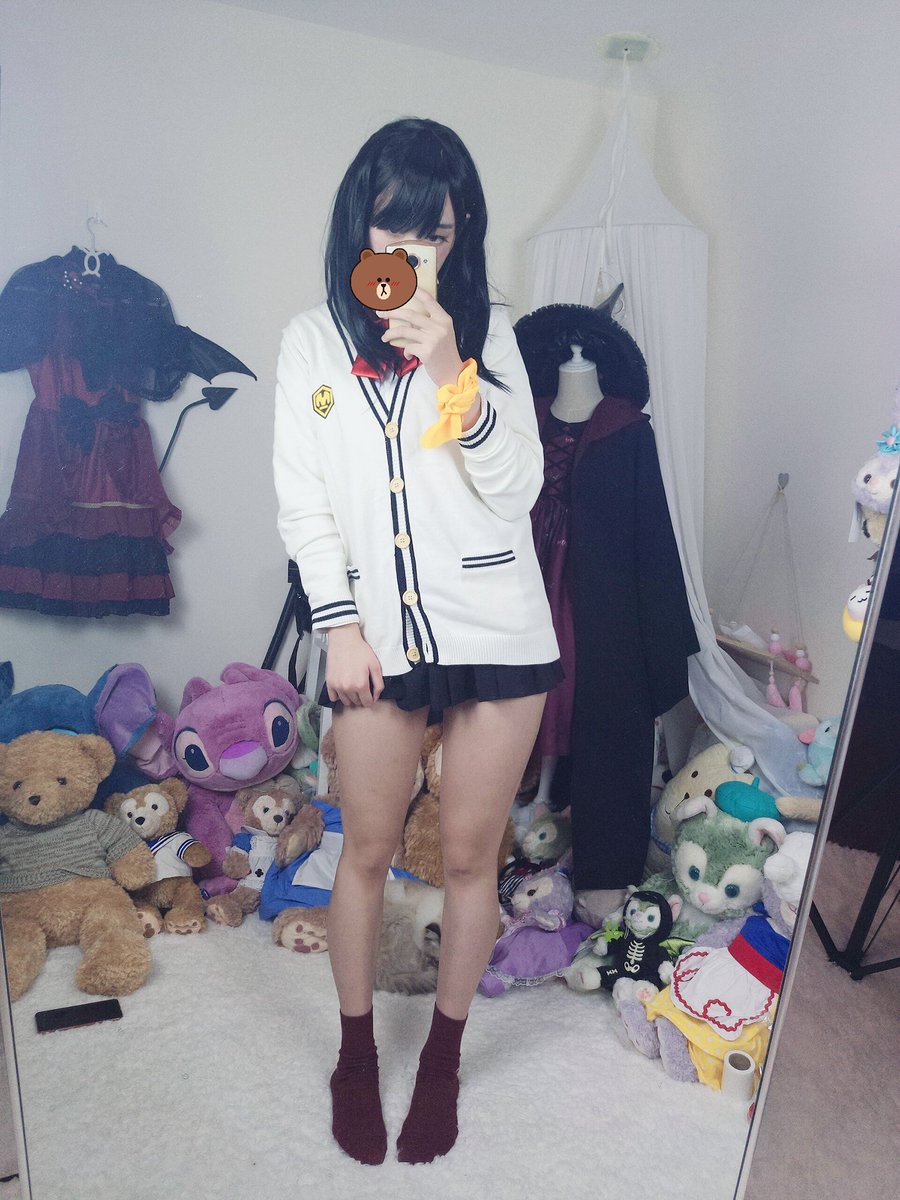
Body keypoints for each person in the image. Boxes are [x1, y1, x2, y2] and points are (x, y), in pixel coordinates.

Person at [272, 117, 561, 1166]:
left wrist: (450, 364)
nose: (413, 250)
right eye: (395, 227)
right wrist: (339, 625)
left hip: (499, 628)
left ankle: (441, 1060)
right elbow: (306, 504)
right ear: (361, 221)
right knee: (367, 850)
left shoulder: (490, 332)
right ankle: (357, 1057)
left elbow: (518, 487)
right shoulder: (313, 343)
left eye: (435, 232)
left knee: (474, 857)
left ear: (459, 233)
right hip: (374, 642)